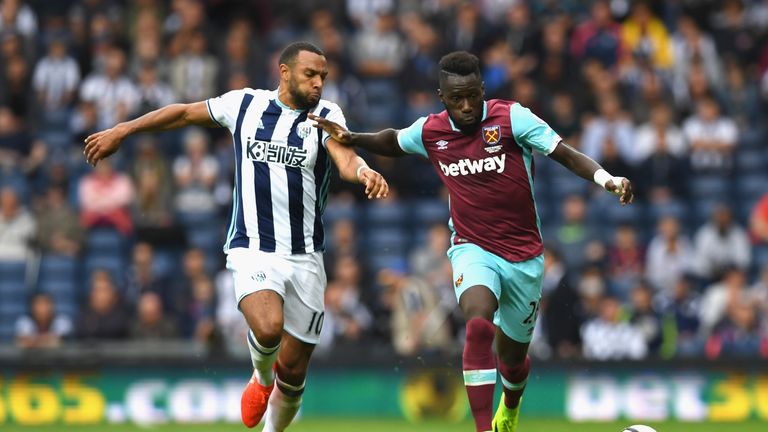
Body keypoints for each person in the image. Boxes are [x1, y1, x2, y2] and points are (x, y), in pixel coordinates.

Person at [310, 51, 634, 432]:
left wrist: (607, 180)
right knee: (478, 323)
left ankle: (509, 409)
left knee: (512, 360)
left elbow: (565, 154)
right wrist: (353, 138)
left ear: (482, 90)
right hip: (472, 248)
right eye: (455, 99)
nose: (465, 106)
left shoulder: (512, 118)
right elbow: (394, 140)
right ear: (441, 97)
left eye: (472, 97)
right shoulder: (432, 131)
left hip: (524, 258)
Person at [83, 42, 389, 431]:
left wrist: (363, 173)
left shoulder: (327, 115)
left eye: (323, 77)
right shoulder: (244, 105)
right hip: (253, 247)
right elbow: (182, 113)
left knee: (293, 375)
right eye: (310, 75)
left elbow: (344, 156)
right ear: (284, 72)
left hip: (306, 256)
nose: (318, 84)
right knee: (267, 327)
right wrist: (124, 129)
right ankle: (261, 377)